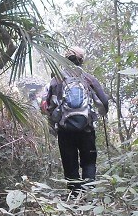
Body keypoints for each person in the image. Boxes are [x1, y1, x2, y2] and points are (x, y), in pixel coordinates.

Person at [42, 46, 109, 194]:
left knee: (70, 166)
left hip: (65, 131)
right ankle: (88, 197)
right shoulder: (89, 79)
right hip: (87, 129)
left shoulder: (56, 81)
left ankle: (74, 200)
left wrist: (53, 126)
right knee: (89, 163)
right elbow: (103, 102)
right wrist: (102, 113)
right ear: (81, 60)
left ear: (65, 59)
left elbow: (48, 106)